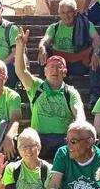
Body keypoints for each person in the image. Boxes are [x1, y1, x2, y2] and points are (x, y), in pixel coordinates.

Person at [15, 27, 85, 160]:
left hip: (63, 139)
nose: (55, 70)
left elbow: (79, 112)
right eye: (51, 66)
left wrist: (78, 126)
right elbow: (21, 71)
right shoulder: (36, 86)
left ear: (64, 72)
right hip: (39, 139)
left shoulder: (70, 92)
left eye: (59, 67)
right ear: (45, 71)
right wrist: (20, 47)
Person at [37, 0, 100, 101]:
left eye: (69, 12)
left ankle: (94, 95)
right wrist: (42, 47)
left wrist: (96, 52)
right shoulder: (54, 27)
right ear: (59, 13)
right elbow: (46, 39)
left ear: (75, 12)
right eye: (63, 13)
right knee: (44, 53)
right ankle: (44, 90)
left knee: (96, 56)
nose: (66, 16)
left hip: (79, 63)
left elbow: (97, 39)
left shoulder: (85, 25)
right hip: (59, 65)